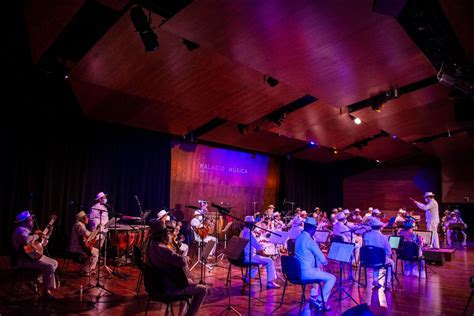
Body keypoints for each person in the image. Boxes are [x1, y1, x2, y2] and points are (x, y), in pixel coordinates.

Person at [145, 220, 207, 316]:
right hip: (166, 288)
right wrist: (186, 258)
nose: (169, 234)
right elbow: (181, 261)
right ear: (163, 234)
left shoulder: (151, 244)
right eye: (167, 232)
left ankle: (181, 314)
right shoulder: (162, 248)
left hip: (156, 285)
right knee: (203, 290)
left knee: (189, 282)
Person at [11, 211, 58, 298]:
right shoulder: (20, 230)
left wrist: (48, 233)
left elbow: (42, 244)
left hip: (33, 257)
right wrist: (36, 235)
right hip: (24, 260)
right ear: (23, 222)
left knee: (54, 263)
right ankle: (45, 291)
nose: (32, 221)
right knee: (49, 267)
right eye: (30, 220)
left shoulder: (30, 231)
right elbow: (26, 240)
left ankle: (35, 280)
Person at [295, 217, 335, 311]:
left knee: (318, 269)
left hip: (297, 271)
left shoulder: (299, 238)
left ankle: (313, 296)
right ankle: (320, 301)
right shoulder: (310, 241)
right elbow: (323, 260)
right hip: (306, 273)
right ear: (313, 228)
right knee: (332, 278)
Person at [239, 216, 280, 289]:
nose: (254, 226)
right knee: (269, 260)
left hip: (242, 257)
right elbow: (258, 247)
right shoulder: (249, 233)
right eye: (253, 224)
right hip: (249, 257)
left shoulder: (243, 232)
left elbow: (252, 243)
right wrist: (263, 245)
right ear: (250, 224)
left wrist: (258, 242)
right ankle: (270, 283)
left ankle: (248, 278)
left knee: (261, 262)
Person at [362, 217, 394, 288]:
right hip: (379, 260)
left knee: (376, 260)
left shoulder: (366, 235)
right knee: (391, 263)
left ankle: (375, 280)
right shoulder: (383, 237)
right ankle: (388, 282)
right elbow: (389, 251)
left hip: (367, 260)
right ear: (380, 227)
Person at [68, 211, 99, 276]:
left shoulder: (81, 225)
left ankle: (90, 269)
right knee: (93, 254)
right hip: (76, 247)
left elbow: (87, 234)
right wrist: (95, 232)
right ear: (81, 219)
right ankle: (85, 271)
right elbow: (86, 234)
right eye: (86, 217)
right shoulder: (78, 225)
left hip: (80, 245)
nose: (88, 218)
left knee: (96, 251)